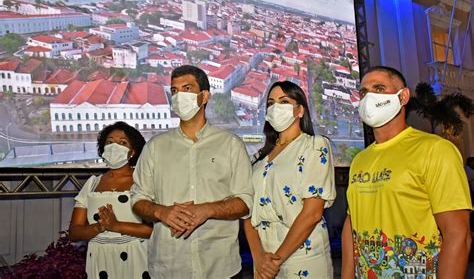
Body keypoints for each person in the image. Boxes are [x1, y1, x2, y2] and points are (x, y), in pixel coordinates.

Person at [341, 66, 472, 278]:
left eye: (379, 88)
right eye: (364, 92)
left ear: (403, 96)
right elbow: (352, 222)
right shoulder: (359, 160)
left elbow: (458, 234)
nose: (369, 97)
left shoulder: (435, 150)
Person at [131, 65, 253, 278]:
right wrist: (162, 212)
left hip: (220, 267)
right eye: (175, 91)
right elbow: (138, 199)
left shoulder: (231, 145)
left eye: (187, 88)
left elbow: (245, 202)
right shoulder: (155, 147)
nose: (179, 96)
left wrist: (207, 209)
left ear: (204, 96)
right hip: (168, 266)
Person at [244, 81, 336, 279]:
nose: (276, 107)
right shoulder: (258, 158)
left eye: (284, 101)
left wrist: (276, 260)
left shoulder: (314, 146)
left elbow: (312, 212)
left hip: (302, 254)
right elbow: (248, 213)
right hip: (264, 256)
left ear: (300, 110)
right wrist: (259, 257)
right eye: (270, 103)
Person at [68, 121, 151, 279]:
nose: (114, 146)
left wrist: (116, 226)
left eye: (122, 143)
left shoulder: (143, 181)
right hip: (99, 258)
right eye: (109, 142)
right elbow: (74, 232)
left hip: (136, 257)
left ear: (132, 152)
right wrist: (98, 228)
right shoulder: (92, 183)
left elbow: (154, 230)